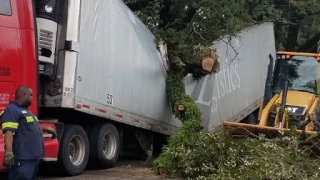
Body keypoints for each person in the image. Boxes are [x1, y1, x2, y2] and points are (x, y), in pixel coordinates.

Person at [0, 85, 57, 180]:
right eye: (30, 95)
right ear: (23, 96)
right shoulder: (12, 110)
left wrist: (44, 129)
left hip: (32, 158)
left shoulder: (27, 112)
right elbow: (9, 131)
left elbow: (27, 128)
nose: (32, 98)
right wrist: (9, 152)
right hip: (22, 159)